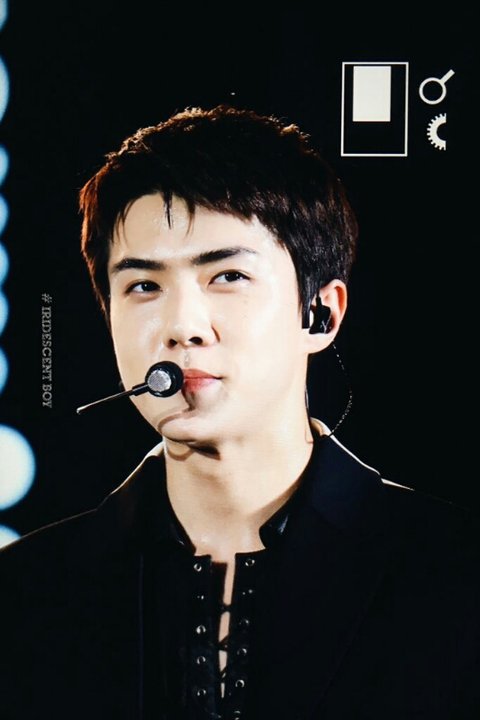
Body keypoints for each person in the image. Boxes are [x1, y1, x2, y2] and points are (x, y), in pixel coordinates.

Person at [1, 105, 479, 720]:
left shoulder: (454, 570)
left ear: (320, 314)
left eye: (227, 276)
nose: (182, 327)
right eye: (144, 286)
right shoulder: (25, 591)